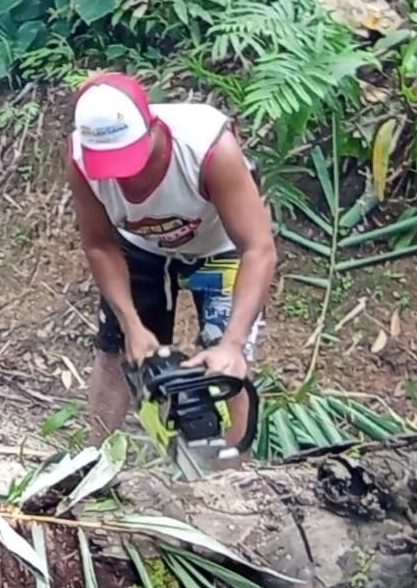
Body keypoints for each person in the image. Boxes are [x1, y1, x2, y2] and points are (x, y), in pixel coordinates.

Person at [67, 70, 280, 444]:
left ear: (152, 129)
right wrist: (131, 324)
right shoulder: (82, 160)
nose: (124, 177)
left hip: (218, 250)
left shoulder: (207, 149)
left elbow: (258, 247)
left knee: (227, 366)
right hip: (140, 246)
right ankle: (94, 456)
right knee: (118, 351)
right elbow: (100, 245)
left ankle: (232, 481)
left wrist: (233, 343)